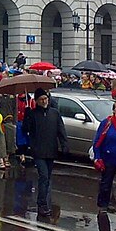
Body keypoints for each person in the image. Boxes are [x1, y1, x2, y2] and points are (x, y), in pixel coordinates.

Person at [24, 87, 68, 216]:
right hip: (38, 150)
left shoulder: (54, 113)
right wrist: (27, 115)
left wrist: (64, 145)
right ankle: (42, 204)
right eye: (41, 99)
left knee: (47, 178)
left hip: (51, 149)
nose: (44, 101)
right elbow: (26, 129)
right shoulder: (33, 114)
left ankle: (44, 202)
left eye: (45, 98)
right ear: (36, 101)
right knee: (43, 176)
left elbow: (61, 130)